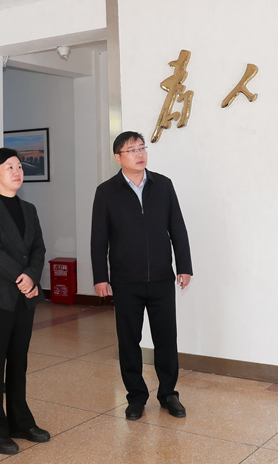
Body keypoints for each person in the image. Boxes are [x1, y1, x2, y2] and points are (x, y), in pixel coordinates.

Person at [90, 131, 192, 421]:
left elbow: (177, 228)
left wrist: (184, 266)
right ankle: (136, 397)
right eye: (132, 150)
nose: (139, 154)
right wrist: (100, 276)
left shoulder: (163, 185)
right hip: (125, 281)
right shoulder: (106, 192)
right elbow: (99, 238)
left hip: (161, 278)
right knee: (129, 341)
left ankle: (168, 394)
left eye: (141, 148)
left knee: (166, 339)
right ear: (118, 157)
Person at [0, 148, 50, 455]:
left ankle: (20, 422)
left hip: (25, 297)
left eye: (19, 166)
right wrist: (23, 278)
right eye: (9, 167)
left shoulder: (29, 209)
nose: (17, 172)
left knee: (18, 361)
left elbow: (39, 248)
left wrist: (32, 276)